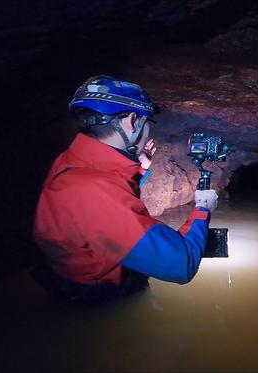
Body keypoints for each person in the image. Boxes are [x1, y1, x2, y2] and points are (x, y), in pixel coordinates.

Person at [33, 75, 218, 301]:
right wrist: (203, 207)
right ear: (132, 121)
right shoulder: (93, 190)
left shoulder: (73, 162)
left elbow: (106, 200)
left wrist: (141, 169)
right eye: (148, 123)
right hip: (97, 291)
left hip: (70, 273)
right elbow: (181, 264)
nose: (148, 131)